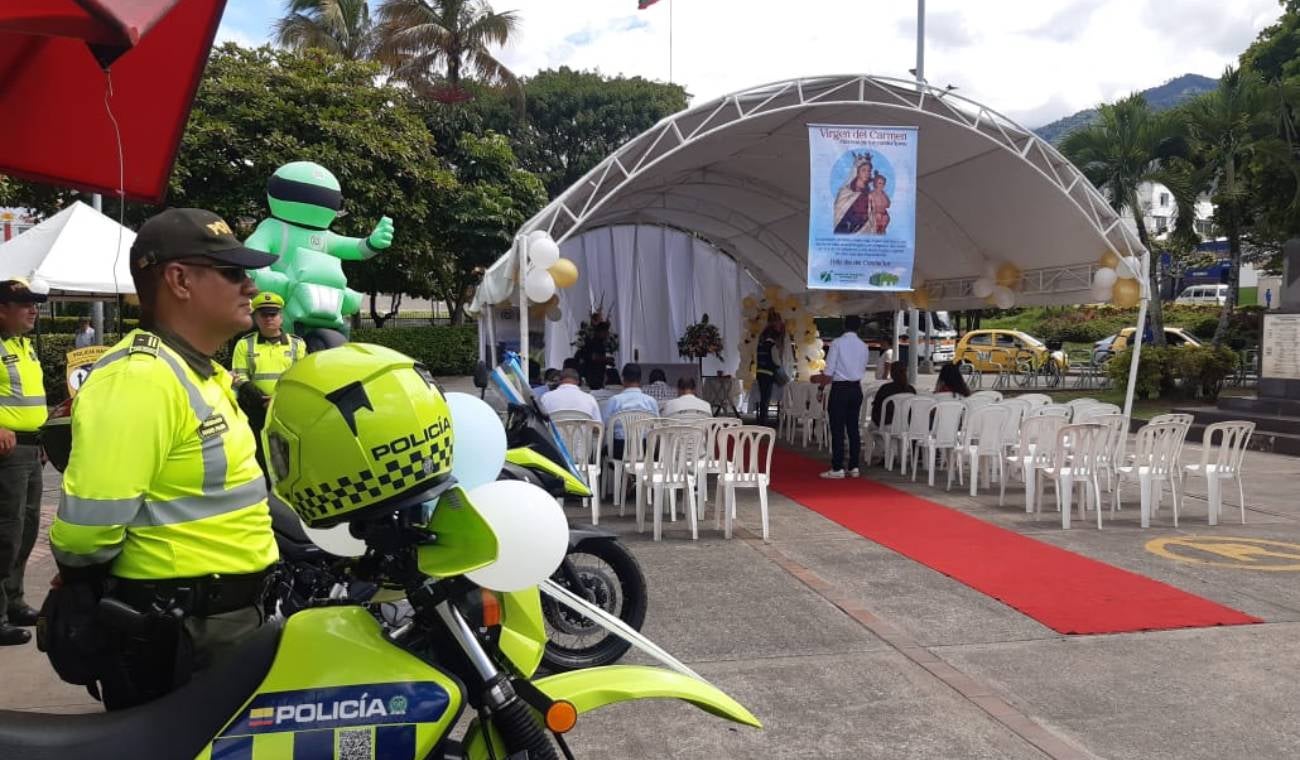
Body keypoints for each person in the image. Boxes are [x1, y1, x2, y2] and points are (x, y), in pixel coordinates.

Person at [49, 208, 279, 709]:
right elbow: (87, 530)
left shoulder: (200, 373)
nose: (251, 287)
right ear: (179, 280)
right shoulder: (141, 380)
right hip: (180, 632)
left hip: (220, 621)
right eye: (233, 272)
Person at [0, 278, 49, 646]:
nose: (34, 310)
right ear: (2, 309)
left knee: (27, 529)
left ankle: (14, 601)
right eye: (25, 304)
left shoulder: (24, 346)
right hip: (7, 453)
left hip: (31, 449)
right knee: (5, 532)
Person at [230, 291, 306, 480]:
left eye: (273, 314)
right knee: (260, 458)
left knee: (291, 458)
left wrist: (278, 399)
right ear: (256, 317)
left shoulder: (297, 345)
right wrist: (257, 395)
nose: (268, 319)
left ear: (281, 317)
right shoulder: (244, 345)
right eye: (263, 314)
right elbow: (238, 375)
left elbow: (302, 377)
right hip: (256, 411)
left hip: (286, 410)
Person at [821, 315, 870, 479]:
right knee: (853, 428)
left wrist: (821, 387)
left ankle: (837, 467)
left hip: (840, 389)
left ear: (844, 326)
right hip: (856, 388)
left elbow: (829, 371)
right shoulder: (864, 346)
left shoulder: (837, 343)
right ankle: (854, 466)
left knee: (837, 428)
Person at [601, 363, 659, 459]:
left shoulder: (614, 400)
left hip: (620, 449)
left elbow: (605, 425)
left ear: (623, 379)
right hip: (644, 448)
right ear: (640, 379)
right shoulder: (650, 401)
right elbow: (657, 425)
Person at [755, 310, 790, 425]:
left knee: (763, 398)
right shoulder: (773, 346)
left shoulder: (761, 344)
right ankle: (763, 422)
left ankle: (762, 419)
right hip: (769, 374)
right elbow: (776, 362)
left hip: (759, 373)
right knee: (766, 398)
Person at [833, 157, 875, 235]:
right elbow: (838, 213)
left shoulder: (870, 193)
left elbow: (871, 216)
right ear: (857, 172)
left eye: (869, 171)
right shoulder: (845, 192)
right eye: (863, 170)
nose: (867, 173)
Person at [871, 362, 916, 428]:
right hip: (907, 424)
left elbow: (876, 407)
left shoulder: (885, 388)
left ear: (892, 374)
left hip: (887, 423)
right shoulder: (911, 390)